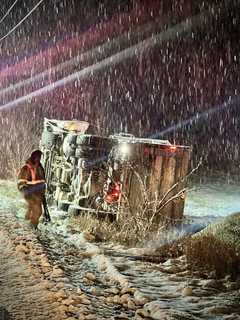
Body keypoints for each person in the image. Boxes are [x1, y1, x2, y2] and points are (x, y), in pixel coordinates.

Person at [17, 149, 46, 229]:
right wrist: (28, 190)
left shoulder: (40, 168)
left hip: (38, 194)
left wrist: (42, 193)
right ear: (33, 157)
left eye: (40, 157)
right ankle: (31, 227)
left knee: (35, 211)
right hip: (29, 193)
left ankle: (30, 226)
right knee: (36, 210)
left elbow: (43, 181)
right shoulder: (26, 168)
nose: (38, 158)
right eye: (37, 156)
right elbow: (21, 183)